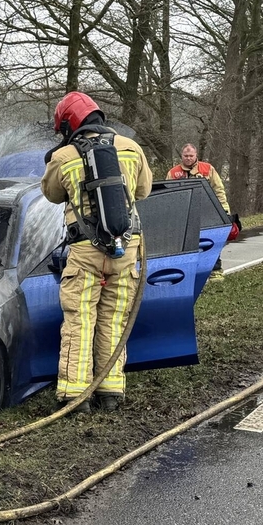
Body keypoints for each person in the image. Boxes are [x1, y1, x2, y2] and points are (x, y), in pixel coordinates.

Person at [41, 91, 153, 413]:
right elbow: (143, 190)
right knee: (114, 320)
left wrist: (57, 157)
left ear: (68, 124)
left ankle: (75, 398)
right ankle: (110, 392)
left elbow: (51, 194)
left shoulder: (64, 156)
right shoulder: (131, 149)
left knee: (80, 320)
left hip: (85, 250)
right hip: (126, 248)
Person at [166, 144, 230, 281]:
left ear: (196, 156)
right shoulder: (173, 173)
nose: (188, 158)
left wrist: (224, 209)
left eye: (191, 156)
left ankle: (215, 271)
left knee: (210, 242)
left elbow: (219, 190)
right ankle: (190, 274)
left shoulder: (208, 169)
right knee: (186, 245)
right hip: (184, 214)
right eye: (185, 156)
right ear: (181, 156)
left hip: (207, 212)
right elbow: (167, 195)